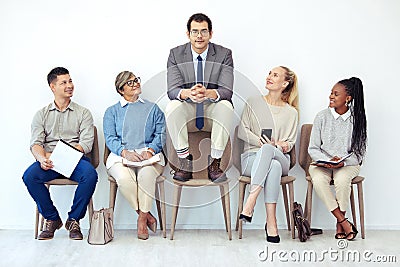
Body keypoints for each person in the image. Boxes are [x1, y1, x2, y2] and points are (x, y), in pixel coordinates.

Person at [22, 67, 98, 240]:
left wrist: (57, 155)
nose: (69, 85)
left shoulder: (83, 113)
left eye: (70, 81)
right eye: (64, 82)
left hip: (76, 161)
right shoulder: (41, 115)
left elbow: (85, 144)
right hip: (49, 162)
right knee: (29, 176)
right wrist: (42, 158)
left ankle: (73, 220)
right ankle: (51, 218)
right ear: (52, 87)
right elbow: (35, 144)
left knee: (90, 175)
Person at [165, 13, 234, 183]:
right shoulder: (175, 54)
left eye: (204, 31)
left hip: (211, 109)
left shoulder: (224, 54)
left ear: (211, 33)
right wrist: (189, 93)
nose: (199, 36)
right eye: (195, 32)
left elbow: (227, 91)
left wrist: (207, 93)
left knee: (226, 105)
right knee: (172, 106)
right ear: (188, 34)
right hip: (188, 110)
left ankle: (215, 163)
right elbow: (172, 90)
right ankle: (184, 162)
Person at [238, 66, 299, 243]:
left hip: (281, 156)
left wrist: (278, 146)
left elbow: (290, 142)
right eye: (269, 73)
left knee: (271, 154)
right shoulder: (253, 102)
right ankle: (271, 222)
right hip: (251, 158)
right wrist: (261, 143)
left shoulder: (291, 113)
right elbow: (242, 131)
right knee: (273, 165)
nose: (269, 77)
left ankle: (250, 201)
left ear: (285, 83)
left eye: (275, 75)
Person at [103, 71, 166, 240]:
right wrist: (125, 152)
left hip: (150, 155)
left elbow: (161, 133)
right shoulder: (112, 112)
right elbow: (110, 138)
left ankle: (141, 220)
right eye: (130, 83)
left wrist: (150, 150)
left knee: (146, 176)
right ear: (121, 89)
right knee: (124, 179)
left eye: (136, 80)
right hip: (120, 155)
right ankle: (145, 214)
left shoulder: (153, 108)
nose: (136, 84)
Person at [308, 77, 367, 241]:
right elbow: (313, 148)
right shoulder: (321, 117)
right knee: (319, 180)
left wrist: (343, 162)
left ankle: (340, 225)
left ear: (348, 98)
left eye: (335, 94)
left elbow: (360, 153)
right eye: (331, 93)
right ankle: (343, 221)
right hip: (322, 164)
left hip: (348, 164)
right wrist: (327, 160)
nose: (330, 97)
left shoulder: (357, 120)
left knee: (342, 181)